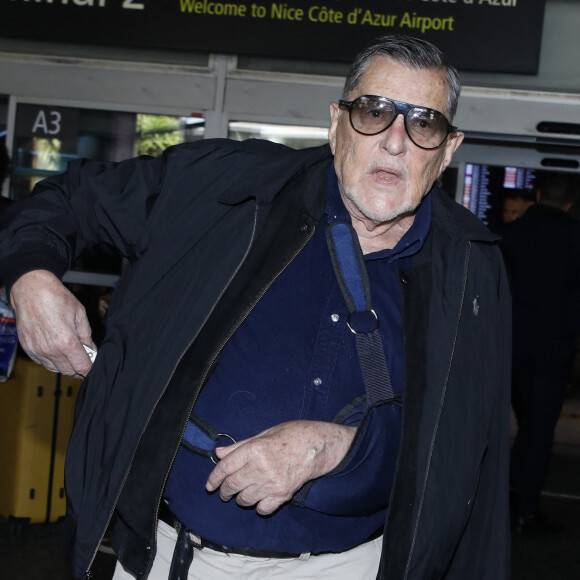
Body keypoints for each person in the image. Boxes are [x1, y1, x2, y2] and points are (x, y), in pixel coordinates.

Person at [0, 35, 512, 580]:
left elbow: (459, 451)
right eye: (374, 112)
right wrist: (30, 279)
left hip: (348, 568)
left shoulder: (470, 271)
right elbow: (69, 200)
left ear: (448, 148)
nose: (394, 142)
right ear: (336, 124)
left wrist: (339, 448)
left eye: (423, 123)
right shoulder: (226, 187)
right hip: (170, 557)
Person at [501, 176, 580, 532]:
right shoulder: (575, 235)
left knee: (522, 422)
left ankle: (505, 495)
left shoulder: (513, 234)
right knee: (539, 428)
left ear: (536, 196)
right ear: (569, 205)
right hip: (555, 346)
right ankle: (525, 508)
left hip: (513, 342)